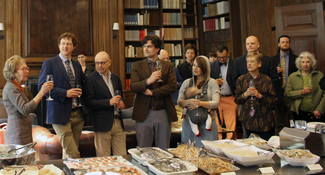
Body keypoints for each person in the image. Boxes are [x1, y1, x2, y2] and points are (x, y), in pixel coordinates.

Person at [38, 32, 85, 158]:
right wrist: (66, 93)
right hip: (59, 113)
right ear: (59, 46)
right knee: (73, 154)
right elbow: (42, 88)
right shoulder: (50, 63)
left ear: (73, 47)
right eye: (63, 43)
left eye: (69, 43)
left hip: (77, 114)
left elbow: (82, 86)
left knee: (69, 153)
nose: (66, 46)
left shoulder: (76, 65)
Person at [130, 35, 177, 150]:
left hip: (163, 112)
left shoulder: (168, 66)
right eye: (144, 46)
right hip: (144, 113)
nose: (145, 49)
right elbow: (133, 86)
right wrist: (148, 81)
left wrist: (154, 93)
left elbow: (172, 86)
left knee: (163, 150)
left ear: (157, 49)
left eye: (149, 46)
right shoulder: (137, 65)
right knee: (143, 150)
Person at [232, 35, 278, 138]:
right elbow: (237, 99)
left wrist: (259, 95)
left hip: (265, 118)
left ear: (259, 64)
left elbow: (273, 101)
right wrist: (245, 94)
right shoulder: (241, 79)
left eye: (252, 62)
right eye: (248, 62)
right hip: (248, 118)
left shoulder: (266, 79)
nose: (249, 64)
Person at [2, 55, 53, 145]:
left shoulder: (18, 87)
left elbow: (31, 106)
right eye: (23, 69)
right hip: (16, 135)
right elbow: (25, 109)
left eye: (27, 68)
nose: (27, 71)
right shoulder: (11, 88)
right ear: (13, 72)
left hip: (23, 133)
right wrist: (42, 92)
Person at [85, 51, 126, 156]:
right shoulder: (90, 79)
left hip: (118, 122)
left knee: (122, 158)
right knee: (104, 159)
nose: (99, 65)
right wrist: (109, 102)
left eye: (102, 62)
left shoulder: (116, 78)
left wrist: (122, 103)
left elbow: (122, 97)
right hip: (102, 123)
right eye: (97, 63)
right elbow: (89, 103)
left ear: (109, 63)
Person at [178, 55, 220, 148]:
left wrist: (200, 104)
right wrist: (189, 102)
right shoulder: (187, 82)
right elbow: (179, 101)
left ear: (205, 68)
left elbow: (216, 103)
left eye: (198, 66)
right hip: (189, 121)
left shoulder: (212, 83)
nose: (195, 68)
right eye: (194, 65)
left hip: (207, 122)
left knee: (208, 151)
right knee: (189, 151)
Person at [285, 51, 325, 122]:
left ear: (312, 63)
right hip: (299, 112)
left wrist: (319, 110)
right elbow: (287, 93)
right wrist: (301, 92)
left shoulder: (319, 75)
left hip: (317, 113)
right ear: (299, 63)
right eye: (303, 62)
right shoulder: (293, 76)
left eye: (308, 62)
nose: (305, 64)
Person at [271, 35, 298, 135]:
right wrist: (275, 72)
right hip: (278, 94)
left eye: (287, 42)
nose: (285, 44)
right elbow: (269, 76)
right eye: (283, 42)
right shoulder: (272, 60)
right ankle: (279, 142)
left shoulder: (296, 59)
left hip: (291, 94)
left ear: (289, 44)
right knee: (279, 122)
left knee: (293, 121)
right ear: (279, 44)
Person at [210, 45, 238, 139]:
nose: (221, 59)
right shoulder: (212, 65)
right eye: (219, 57)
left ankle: (231, 144)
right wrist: (214, 82)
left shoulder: (235, 64)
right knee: (217, 125)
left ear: (228, 54)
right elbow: (207, 81)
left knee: (231, 125)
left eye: (224, 57)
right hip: (217, 98)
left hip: (230, 97)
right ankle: (218, 145)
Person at [158, 49, 183, 119]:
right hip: (161, 104)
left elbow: (181, 82)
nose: (166, 60)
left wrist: (177, 84)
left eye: (167, 58)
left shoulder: (173, 69)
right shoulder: (156, 70)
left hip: (174, 101)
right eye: (164, 58)